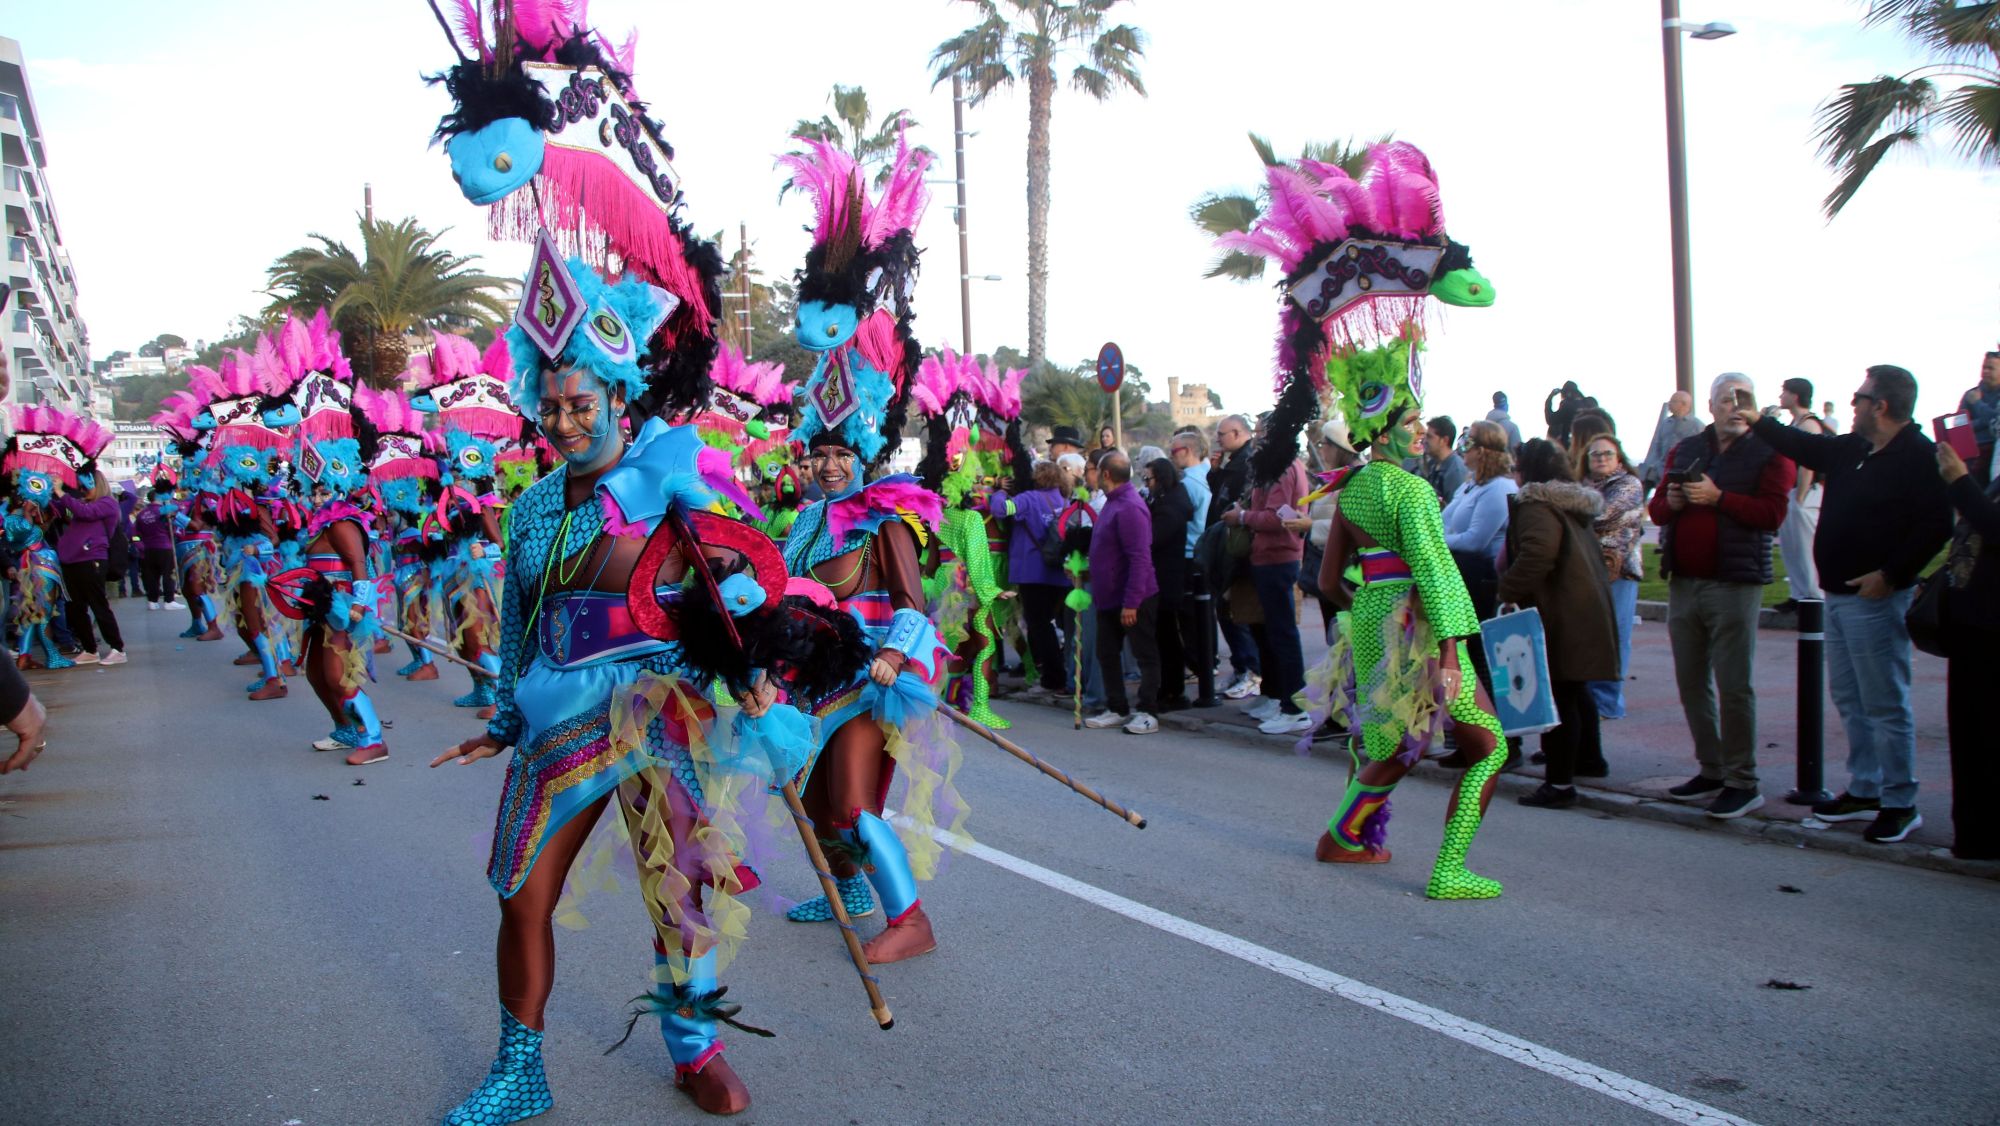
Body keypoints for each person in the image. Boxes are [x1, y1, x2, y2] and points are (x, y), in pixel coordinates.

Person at [1310, 339, 1509, 899]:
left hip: (1374, 618)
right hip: (1423, 629)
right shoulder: (1414, 489)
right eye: (1414, 420)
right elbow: (1432, 567)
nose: (1422, 431)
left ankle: (1347, 839)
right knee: (1490, 747)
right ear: (1384, 429)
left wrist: (1371, 613)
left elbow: (1328, 584)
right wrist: (1448, 647)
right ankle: (1448, 871)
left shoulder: (1349, 491)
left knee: (1384, 744)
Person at [1743, 365, 1953, 844]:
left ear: (1880, 405)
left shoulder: (1917, 456)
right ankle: (1865, 789)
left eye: (1860, 397)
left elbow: (1937, 524)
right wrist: (1759, 420)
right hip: (1836, 595)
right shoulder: (1854, 448)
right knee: (1850, 698)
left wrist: (1893, 574)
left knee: (1884, 702)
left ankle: (1901, 802)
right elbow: (1807, 448)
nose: (1852, 404)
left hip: (1875, 599)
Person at [1648, 373, 1794, 820]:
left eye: (1743, 398)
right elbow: (1655, 509)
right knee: (1691, 682)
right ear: (1710, 406)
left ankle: (1742, 780)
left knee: (1734, 685)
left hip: (1734, 581)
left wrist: (1719, 498)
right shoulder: (1689, 447)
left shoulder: (1771, 451)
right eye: (1726, 400)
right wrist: (1672, 501)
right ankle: (1711, 768)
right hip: (1685, 581)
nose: (1735, 407)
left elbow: (1772, 514)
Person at [1501, 440, 1619, 809]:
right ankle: (1588, 759)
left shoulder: (1537, 504)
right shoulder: (1570, 502)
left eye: (1517, 466)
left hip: (1559, 609)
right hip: (1583, 605)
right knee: (1576, 689)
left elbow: (1538, 553)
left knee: (1559, 695)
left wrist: (1507, 589)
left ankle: (1560, 783)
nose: (1513, 473)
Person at [1933, 441, 2000, 859]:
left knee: (1988, 735)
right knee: (1971, 733)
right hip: (1974, 626)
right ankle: (1974, 835)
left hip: (1992, 629)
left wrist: (1961, 481)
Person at [1225, 414, 1312, 735]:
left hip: (1279, 558)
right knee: (1272, 633)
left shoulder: (1285, 467)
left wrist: (1243, 516)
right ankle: (1278, 698)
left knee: (1283, 634)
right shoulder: (1275, 465)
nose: (1258, 438)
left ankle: (1294, 706)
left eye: (1262, 432)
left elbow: (1277, 517)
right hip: (1268, 558)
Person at [1083, 452, 1161, 734]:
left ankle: (1148, 710)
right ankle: (1117, 707)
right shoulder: (1113, 504)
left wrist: (1132, 603)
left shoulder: (1130, 506)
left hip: (1133, 597)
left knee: (1145, 655)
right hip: (1109, 596)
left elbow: (1139, 558)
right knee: (1107, 653)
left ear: (1105, 474)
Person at [991, 460, 1072, 700]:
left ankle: (1052, 679)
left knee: (1040, 625)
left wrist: (999, 491)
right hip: (1059, 573)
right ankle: (1058, 676)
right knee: (1050, 625)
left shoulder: (1029, 499)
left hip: (1032, 571)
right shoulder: (1064, 501)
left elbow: (1000, 510)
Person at [1580, 433, 1645, 721]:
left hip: (1620, 572)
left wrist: (1573, 513)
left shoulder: (1629, 485)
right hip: (1588, 571)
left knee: (1615, 636)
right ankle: (1591, 699)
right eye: (1595, 454)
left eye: (1607, 453)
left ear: (1619, 457)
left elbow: (1604, 516)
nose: (1601, 458)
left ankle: (1608, 702)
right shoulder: (1581, 486)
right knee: (1591, 637)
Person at [1209, 414, 1261, 699]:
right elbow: (1219, 495)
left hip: (1237, 546)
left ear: (1239, 433)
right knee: (1225, 610)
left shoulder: (1248, 461)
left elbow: (1241, 500)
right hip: (1224, 543)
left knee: (1237, 611)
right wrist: (1215, 473)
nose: (1218, 439)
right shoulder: (1233, 462)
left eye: (1223, 434)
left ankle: (1252, 670)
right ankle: (1242, 667)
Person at [53, 473, 128, 666]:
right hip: (71, 561)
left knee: (98, 604)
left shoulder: (107, 503)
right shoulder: (80, 503)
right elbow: (60, 509)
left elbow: (87, 513)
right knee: (75, 607)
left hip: (91, 559)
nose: (83, 490)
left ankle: (117, 649)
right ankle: (89, 649)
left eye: (87, 486)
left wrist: (61, 492)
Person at [1167, 429, 1216, 707]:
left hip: (1189, 554)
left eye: (1174, 451)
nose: (1172, 457)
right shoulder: (1209, 476)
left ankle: (1203, 672)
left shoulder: (1189, 484)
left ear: (1187, 450)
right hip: (1202, 552)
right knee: (1202, 618)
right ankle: (1205, 669)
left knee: (1191, 619)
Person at [1772, 377, 1827, 611]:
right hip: (1794, 492)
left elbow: (1809, 463)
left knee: (1805, 546)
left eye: (1784, 392)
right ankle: (1799, 593)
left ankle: (1814, 595)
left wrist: (1801, 496)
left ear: (1795, 396)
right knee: (1791, 546)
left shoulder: (1808, 424)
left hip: (1806, 493)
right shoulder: (1797, 422)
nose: (1780, 397)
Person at [1145, 456, 1194, 715]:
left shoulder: (1170, 507)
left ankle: (1173, 690)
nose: (1147, 485)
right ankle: (1168, 688)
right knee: (1164, 637)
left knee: (1167, 638)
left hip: (1166, 579)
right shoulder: (1166, 502)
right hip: (1164, 577)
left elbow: (1152, 538)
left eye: (1149, 479)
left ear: (1161, 479)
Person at [1640, 391, 1705, 494]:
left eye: (1673, 401)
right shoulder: (1665, 423)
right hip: (1661, 470)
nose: (1669, 404)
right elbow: (1657, 446)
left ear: (1684, 404)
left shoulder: (1697, 426)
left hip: (1681, 472)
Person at [1956, 350, 2000, 483]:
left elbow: (1997, 423)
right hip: (1971, 454)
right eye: (1984, 367)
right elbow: (1960, 426)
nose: (1985, 371)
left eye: (1990, 368)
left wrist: (1978, 403)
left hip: (1994, 451)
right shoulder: (1970, 394)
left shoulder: (1974, 399)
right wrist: (1987, 420)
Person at [1406, 416, 1468, 506]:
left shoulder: (1455, 470)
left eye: (1429, 437)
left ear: (1444, 440)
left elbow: (1456, 509)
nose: (1424, 441)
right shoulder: (1434, 464)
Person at [134, 485, 178, 610]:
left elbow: (135, 533)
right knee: (168, 574)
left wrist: (140, 545)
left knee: (152, 575)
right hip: (164, 546)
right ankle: (169, 600)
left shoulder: (141, 514)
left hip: (148, 549)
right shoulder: (164, 511)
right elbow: (172, 530)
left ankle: (152, 601)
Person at [1543, 381, 1597, 446]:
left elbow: (1550, 420)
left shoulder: (1567, 405)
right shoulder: (1591, 402)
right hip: (1593, 442)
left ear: (1568, 394)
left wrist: (1550, 397)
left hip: (1575, 445)